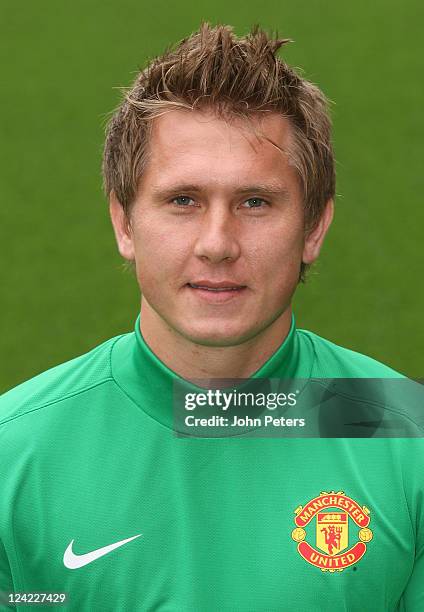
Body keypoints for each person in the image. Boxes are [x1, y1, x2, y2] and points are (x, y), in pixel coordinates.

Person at [0, 22, 422, 612]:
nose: (218, 243)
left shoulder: (408, 437)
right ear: (124, 222)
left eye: (255, 202)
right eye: (183, 201)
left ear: (314, 227)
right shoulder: (12, 455)